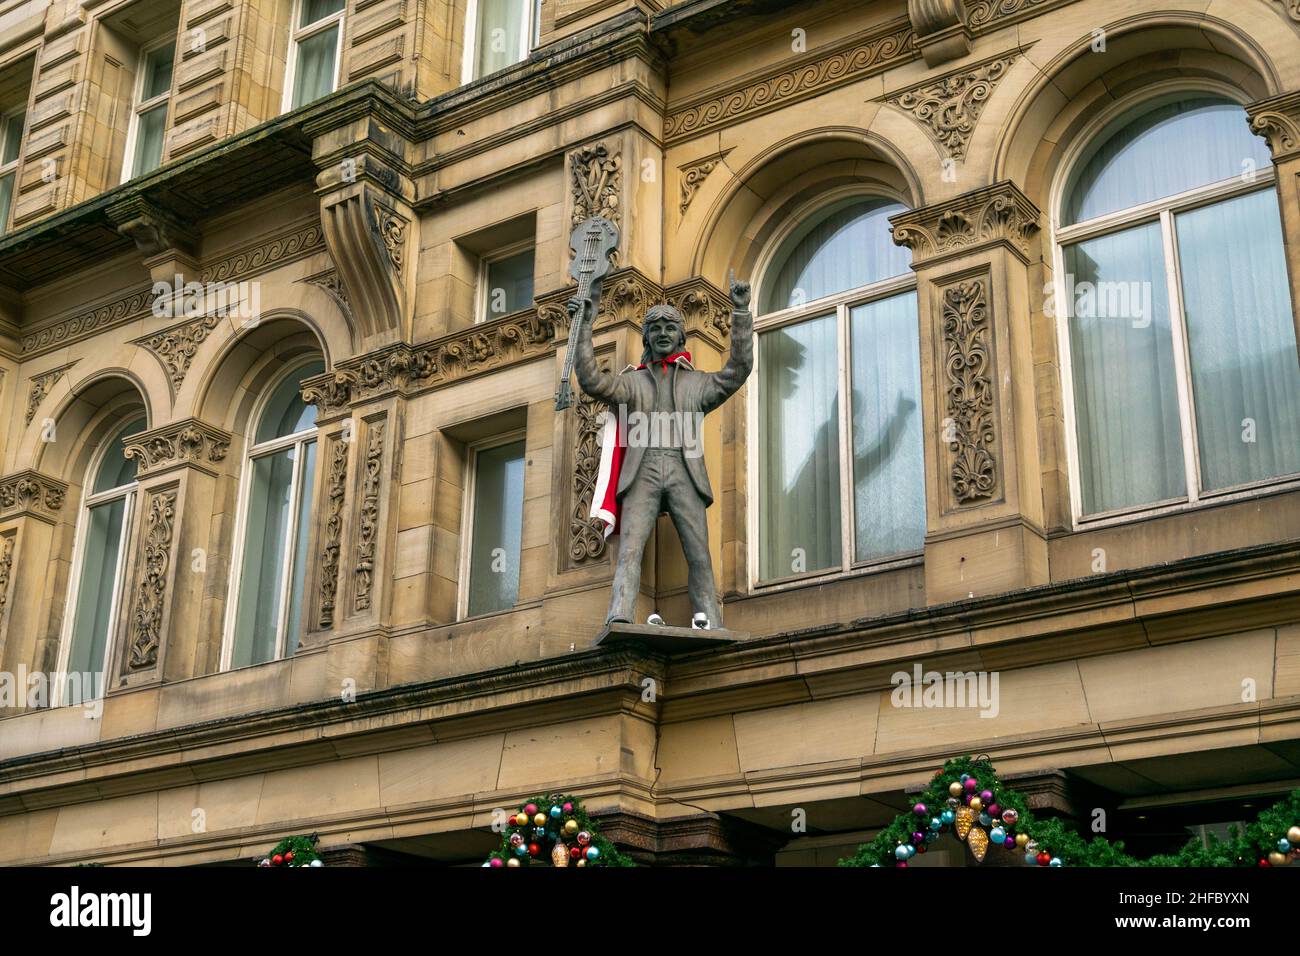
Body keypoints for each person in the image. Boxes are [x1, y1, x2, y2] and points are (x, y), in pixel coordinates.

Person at [569, 276, 753, 628]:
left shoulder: (698, 384)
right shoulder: (631, 382)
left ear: (682, 337)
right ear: (647, 338)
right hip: (644, 470)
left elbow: (738, 370)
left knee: (699, 554)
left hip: (686, 471)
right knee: (631, 550)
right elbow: (591, 379)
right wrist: (585, 325)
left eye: (671, 328)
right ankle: (620, 614)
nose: (664, 333)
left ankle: (710, 620)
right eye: (656, 329)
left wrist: (741, 311)